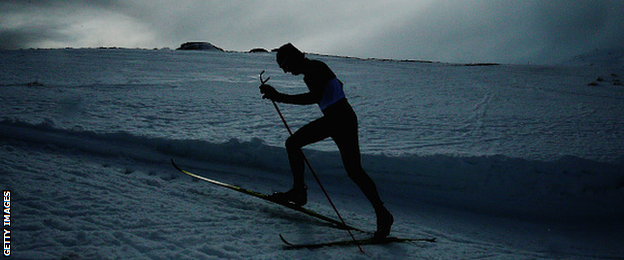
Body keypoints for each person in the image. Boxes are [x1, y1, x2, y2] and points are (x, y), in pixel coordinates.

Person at [259, 43, 393, 238]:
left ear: (294, 60)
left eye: (285, 66)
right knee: (354, 170)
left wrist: (278, 96)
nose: (287, 72)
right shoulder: (315, 67)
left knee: (294, 144)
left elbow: (314, 97)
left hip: (338, 120)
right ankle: (382, 213)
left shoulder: (314, 70)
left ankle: (299, 192)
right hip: (342, 118)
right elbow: (338, 86)